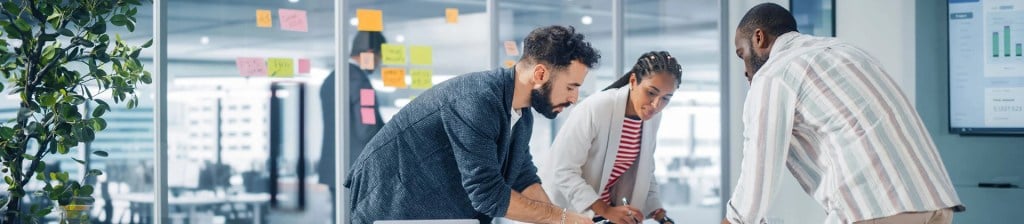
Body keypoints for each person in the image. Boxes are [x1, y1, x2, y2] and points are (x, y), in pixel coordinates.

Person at [724, 3, 963, 224]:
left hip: (874, 207)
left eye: (741, 54)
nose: (745, 71)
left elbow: (756, 183)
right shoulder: (849, 52)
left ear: (759, 38)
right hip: (935, 201)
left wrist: (733, 219)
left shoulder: (773, 74)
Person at [345, 25, 601, 224]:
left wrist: (559, 219)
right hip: (391, 204)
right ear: (540, 74)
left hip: (435, 210)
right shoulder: (477, 99)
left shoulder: (521, 115)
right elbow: (488, 194)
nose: (574, 98)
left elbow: (522, 178)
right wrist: (561, 217)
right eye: (571, 87)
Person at [543, 51, 680, 224]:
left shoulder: (653, 118)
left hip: (603, 215)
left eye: (666, 98)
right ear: (633, 81)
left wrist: (660, 216)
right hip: (566, 212)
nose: (656, 105)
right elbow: (563, 170)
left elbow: (645, 170)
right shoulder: (598, 107)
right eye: (651, 92)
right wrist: (606, 211)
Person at [318, 31, 386, 221]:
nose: (379, 64)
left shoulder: (331, 78)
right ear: (370, 53)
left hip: (335, 167)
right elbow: (367, 127)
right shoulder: (360, 82)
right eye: (379, 57)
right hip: (357, 171)